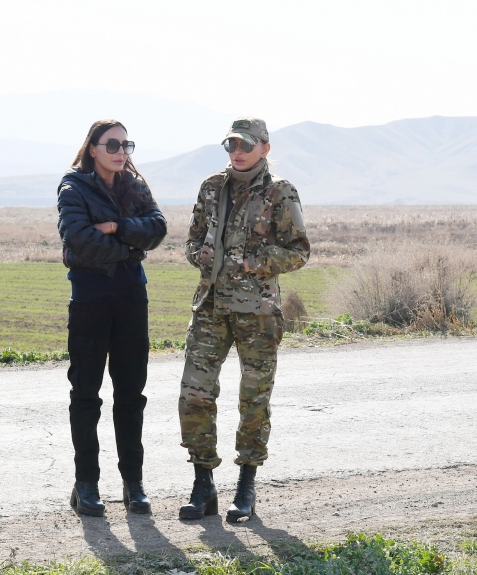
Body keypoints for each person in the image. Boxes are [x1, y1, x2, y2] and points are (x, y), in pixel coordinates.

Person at [178, 116, 310, 522]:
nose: (237, 152)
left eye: (245, 145)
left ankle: (246, 486)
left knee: (253, 400)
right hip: (210, 307)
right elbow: (192, 239)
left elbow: (298, 251)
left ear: (264, 148)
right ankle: (203, 484)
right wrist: (199, 254)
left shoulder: (280, 192)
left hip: (258, 313)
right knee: (194, 395)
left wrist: (251, 262)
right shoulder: (212, 187)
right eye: (231, 145)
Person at [57, 119, 167, 517]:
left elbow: (158, 228)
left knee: (131, 393)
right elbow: (79, 239)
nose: (121, 152)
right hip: (90, 298)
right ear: (93, 148)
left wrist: (118, 227)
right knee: (86, 392)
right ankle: (86, 484)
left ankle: (133, 484)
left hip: (131, 296)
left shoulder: (134, 185)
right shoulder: (73, 188)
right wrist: (132, 249)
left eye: (126, 145)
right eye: (113, 144)